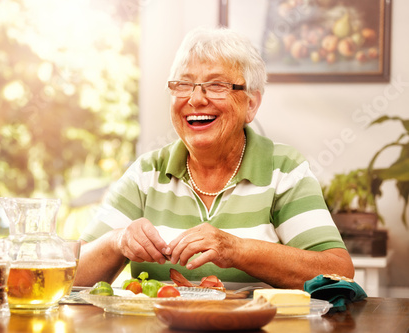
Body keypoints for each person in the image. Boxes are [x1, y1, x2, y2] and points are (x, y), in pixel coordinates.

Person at [74, 27, 354, 289]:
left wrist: (236, 250)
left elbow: (337, 272)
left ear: (251, 104)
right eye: (184, 84)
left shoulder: (284, 170)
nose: (196, 99)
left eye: (217, 85)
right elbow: (70, 274)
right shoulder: (147, 173)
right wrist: (116, 241)